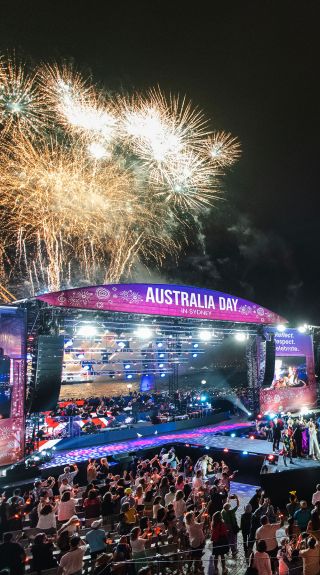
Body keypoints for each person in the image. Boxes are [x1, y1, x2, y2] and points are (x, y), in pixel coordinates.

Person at [211, 511, 228, 575]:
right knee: (222, 555)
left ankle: (215, 569)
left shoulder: (213, 523)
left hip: (215, 541)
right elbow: (224, 532)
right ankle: (223, 568)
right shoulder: (222, 523)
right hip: (221, 540)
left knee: (216, 555)